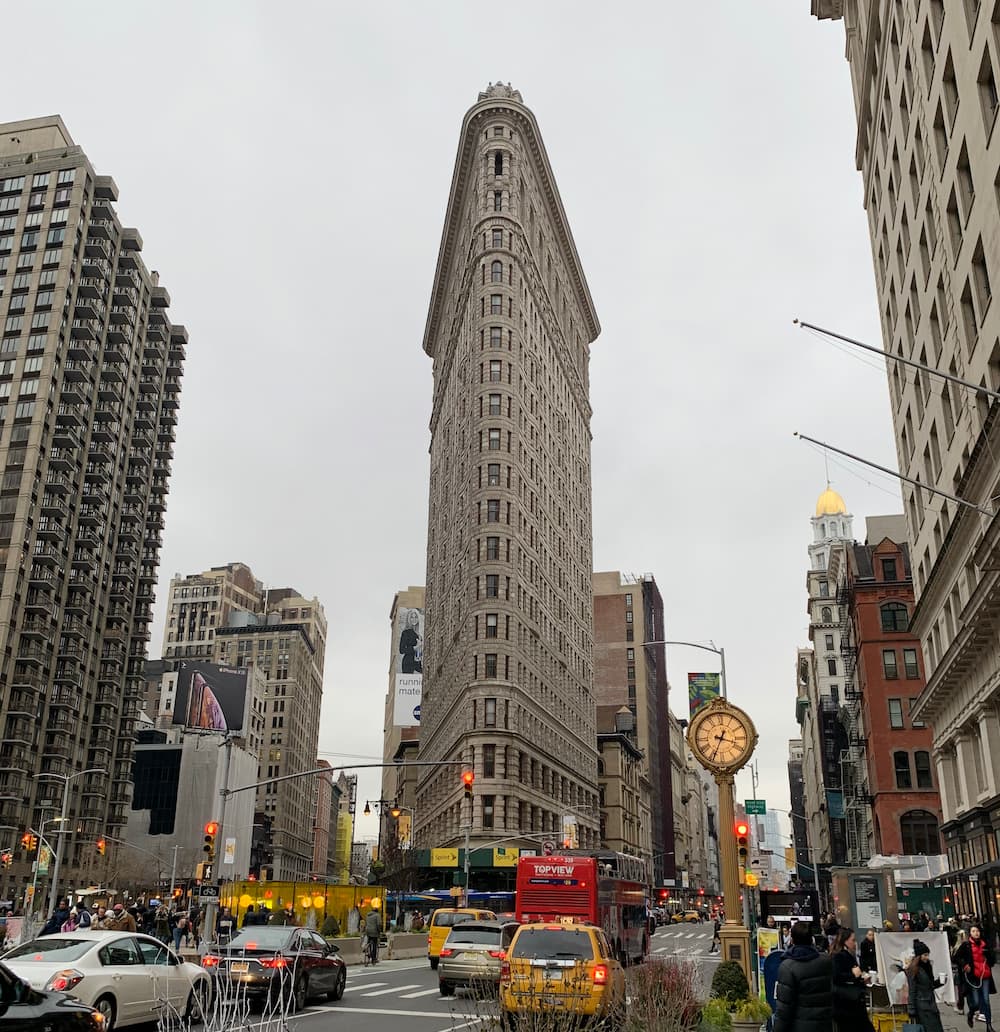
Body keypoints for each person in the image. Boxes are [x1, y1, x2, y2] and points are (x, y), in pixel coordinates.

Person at [773, 921, 833, 1032]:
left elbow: (784, 1008)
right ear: (811, 939)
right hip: (824, 1024)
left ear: (792, 940)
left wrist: (778, 1029)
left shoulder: (787, 967)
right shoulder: (826, 961)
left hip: (799, 1026)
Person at [832, 927, 875, 1032]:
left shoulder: (850, 956)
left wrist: (861, 979)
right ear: (845, 941)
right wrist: (854, 975)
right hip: (848, 1006)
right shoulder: (840, 957)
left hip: (853, 1004)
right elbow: (837, 977)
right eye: (853, 940)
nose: (855, 943)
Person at [954, 923, 995, 1031]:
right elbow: (956, 957)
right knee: (976, 1002)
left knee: (986, 1001)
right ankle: (971, 1013)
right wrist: (965, 965)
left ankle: (989, 1026)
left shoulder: (984, 944)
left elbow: (992, 961)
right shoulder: (966, 945)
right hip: (973, 977)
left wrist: (988, 955)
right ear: (970, 933)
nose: (976, 933)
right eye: (973, 931)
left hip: (985, 975)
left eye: (977, 931)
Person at [906, 938, 947, 1032]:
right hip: (922, 1007)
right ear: (918, 956)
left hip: (931, 1005)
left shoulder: (927, 966)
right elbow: (912, 990)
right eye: (925, 955)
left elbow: (930, 985)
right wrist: (911, 1009)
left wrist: (941, 982)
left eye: (928, 955)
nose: (927, 957)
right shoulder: (914, 969)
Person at [399, 608, 423, 674]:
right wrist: (415, 647)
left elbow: (419, 653)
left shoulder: (419, 635)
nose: (414, 619)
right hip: (408, 663)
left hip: (417, 662)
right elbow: (401, 650)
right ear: (409, 619)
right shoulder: (406, 632)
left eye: (416, 617)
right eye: (412, 617)